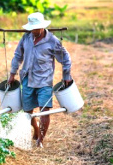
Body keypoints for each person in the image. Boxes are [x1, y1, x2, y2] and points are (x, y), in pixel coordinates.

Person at [8, 12, 72, 148]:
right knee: (27, 112)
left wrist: (66, 75)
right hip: (27, 79)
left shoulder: (53, 41)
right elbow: (17, 55)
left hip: (44, 81)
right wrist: (12, 73)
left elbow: (65, 58)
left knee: (45, 110)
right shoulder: (26, 38)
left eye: (37, 28)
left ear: (43, 27)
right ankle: (36, 129)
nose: (34, 31)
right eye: (32, 28)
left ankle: (40, 140)